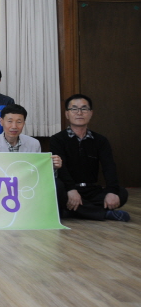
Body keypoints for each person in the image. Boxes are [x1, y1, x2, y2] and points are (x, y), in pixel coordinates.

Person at [50, 94, 130, 222]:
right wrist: (71, 189)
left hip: (92, 190)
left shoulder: (101, 141)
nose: (79, 113)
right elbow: (61, 168)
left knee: (121, 193)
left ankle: (74, 211)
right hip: (68, 190)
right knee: (57, 190)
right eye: (74, 109)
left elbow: (109, 167)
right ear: (67, 114)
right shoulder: (57, 139)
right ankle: (104, 214)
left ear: (91, 113)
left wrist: (111, 191)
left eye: (84, 108)